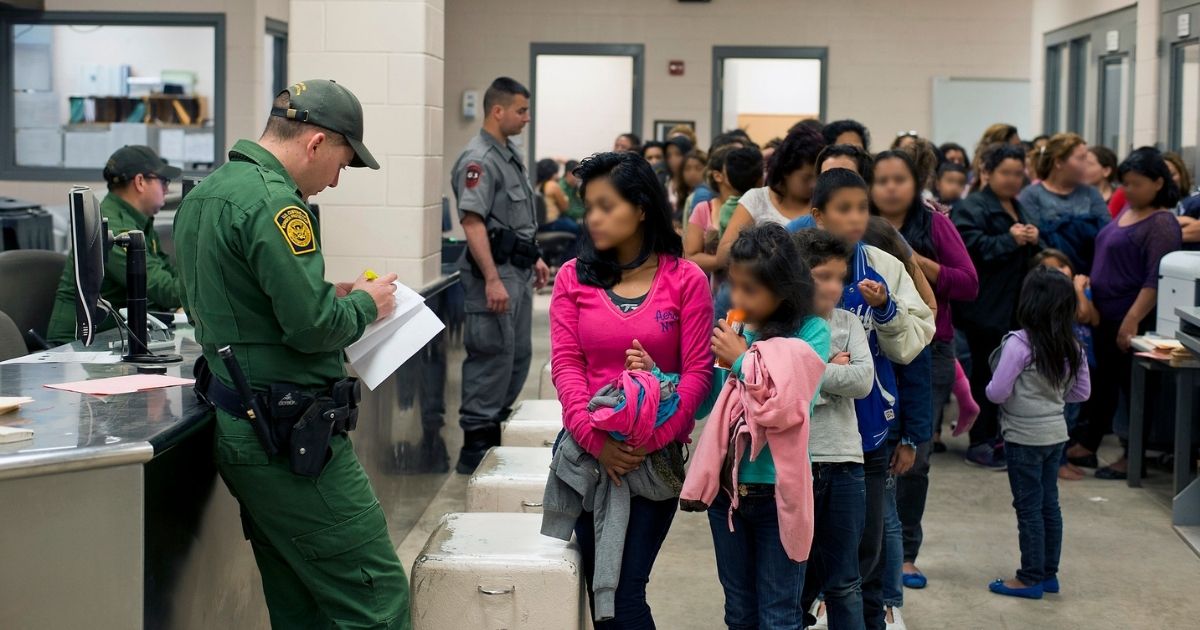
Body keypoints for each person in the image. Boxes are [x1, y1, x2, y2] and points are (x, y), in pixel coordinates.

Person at [173, 79, 410, 628]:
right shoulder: (279, 204)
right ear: (317, 143)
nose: (335, 180)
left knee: (301, 603)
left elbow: (246, 306)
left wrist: (336, 293)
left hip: (244, 427)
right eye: (342, 164)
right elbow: (314, 327)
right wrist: (366, 307)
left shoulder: (206, 195)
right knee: (377, 598)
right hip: (292, 440)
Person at [549, 151, 713, 628]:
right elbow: (567, 366)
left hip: (652, 462)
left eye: (607, 205)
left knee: (624, 595)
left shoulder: (686, 280)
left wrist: (647, 442)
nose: (594, 217)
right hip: (587, 457)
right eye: (590, 206)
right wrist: (598, 442)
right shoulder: (573, 278)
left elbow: (699, 373)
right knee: (601, 598)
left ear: (641, 208)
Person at [680, 223, 829, 630]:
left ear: (782, 289)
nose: (737, 297)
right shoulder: (737, 325)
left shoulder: (812, 332)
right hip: (727, 495)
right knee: (739, 613)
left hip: (778, 494)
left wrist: (742, 359)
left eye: (750, 289)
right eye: (734, 285)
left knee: (779, 614)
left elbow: (789, 406)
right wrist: (659, 378)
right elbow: (706, 402)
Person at [809, 168, 934, 630]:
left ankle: (868, 618)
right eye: (844, 209)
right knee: (808, 545)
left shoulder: (885, 266)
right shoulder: (792, 260)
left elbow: (913, 345)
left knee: (866, 546)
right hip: (805, 435)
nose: (856, 218)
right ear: (818, 215)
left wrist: (885, 310)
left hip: (870, 429)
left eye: (862, 207)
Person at [871, 151, 978, 592]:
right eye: (881, 180)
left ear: (915, 184)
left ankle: (907, 553)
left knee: (915, 456)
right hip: (871, 347)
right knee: (872, 452)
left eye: (900, 179)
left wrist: (911, 262)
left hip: (929, 348)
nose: (891, 188)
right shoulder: (861, 223)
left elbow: (968, 282)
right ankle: (872, 548)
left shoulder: (934, 224)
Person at [450, 77, 550, 473]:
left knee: (517, 355)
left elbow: (516, 220)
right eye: (521, 110)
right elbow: (473, 222)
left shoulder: (509, 154)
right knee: (491, 354)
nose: (526, 118)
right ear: (498, 111)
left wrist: (535, 257)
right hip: (493, 272)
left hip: (517, 269)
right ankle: (476, 442)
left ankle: (494, 428)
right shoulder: (479, 159)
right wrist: (491, 278)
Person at [1068, 147, 1183, 480]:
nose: (1127, 190)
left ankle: (1133, 456)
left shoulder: (1161, 222)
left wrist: (1132, 320)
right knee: (1103, 385)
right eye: (1125, 184)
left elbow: (1155, 278)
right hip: (1103, 314)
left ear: (1158, 182)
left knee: (1135, 391)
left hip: (1132, 318)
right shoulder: (1129, 212)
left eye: (1135, 184)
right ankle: (1088, 444)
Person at [986, 266, 1091, 600]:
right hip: (1056, 434)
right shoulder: (1072, 345)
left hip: (1023, 437)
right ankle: (1048, 575)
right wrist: (1052, 397)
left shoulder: (1019, 344)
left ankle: (1029, 577)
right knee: (1049, 505)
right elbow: (1082, 393)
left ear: (1028, 301)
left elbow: (997, 391)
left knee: (1029, 507)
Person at [794, 228, 872, 630]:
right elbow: (779, 389)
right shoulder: (783, 324)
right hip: (793, 466)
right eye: (823, 275)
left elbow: (862, 381)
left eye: (840, 277)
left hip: (843, 461)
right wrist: (830, 369)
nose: (834, 286)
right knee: (793, 581)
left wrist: (811, 375)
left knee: (844, 581)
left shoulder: (847, 323)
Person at [953, 144, 1042, 470]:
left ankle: (1000, 436)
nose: (1013, 179)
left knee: (1010, 375)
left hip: (1016, 307)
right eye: (1005, 172)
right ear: (987, 173)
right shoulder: (972, 206)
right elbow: (968, 249)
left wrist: (1034, 238)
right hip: (985, 308)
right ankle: (980, 440)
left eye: (1018, 173)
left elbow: (1036, 252)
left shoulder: (1019, 206)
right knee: (985, 373)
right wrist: (1010, 239)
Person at [47, 145, 182, 344]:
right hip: (77, 344)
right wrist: (199, 293)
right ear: (140, 182)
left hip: (114, 336)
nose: (167, 189)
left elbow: (167, 275)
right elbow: (163, 290)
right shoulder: (113, 226)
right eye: (163, 181)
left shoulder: (137, 219)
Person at [716, 125, 826, 267]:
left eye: (818, 176)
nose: (813, 184)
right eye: (806, 178)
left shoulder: (822, 204)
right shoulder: (757, 200)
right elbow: (722, 256)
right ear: (786, 171)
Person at [1034, 248, 1099, 481]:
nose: (1061, 272)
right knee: (1064, 416)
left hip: (1083, 362)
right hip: (1063, 367)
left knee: (1074, 415)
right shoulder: (1057, 297)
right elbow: (1081, 314)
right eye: (1053, 270)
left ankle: (1062, 460)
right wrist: (1077, 289)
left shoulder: (1079, 291)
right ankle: (1057, 463)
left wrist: (1081, 291)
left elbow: (1093, 318)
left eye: (1063, 266)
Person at [1018, 133, 1109, 273]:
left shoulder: (1091, 194)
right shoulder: (1031, 195)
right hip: (1047, 276)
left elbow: (1106, 234)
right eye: (1081, 158)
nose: (1086, 164)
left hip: (1088, 275)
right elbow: (1033, 241)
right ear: (1059, 162)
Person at [685, 146, 762, 276]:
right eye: (732, 166)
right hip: (716, 290)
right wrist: (721, 259)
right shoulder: (703, 209)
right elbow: (690, 257)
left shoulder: (759, 204)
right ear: (718, 175)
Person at [664, 136, 695, 217]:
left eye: (678, 154)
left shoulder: (692, 184)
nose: (672, 159)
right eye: (668, 156)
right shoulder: (663, 181)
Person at [681, 149, 711, 225]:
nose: (692, 173)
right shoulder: (684, 194)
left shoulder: (703, 194)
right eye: (687, 169)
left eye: (698, 168)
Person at [559, 158, 586, 223]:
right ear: (569, 174)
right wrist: (586, 213)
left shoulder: (575, 185)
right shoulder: (561, 187)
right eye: (578, 173)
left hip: (577, 217)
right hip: (568, 219)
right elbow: (568, 211)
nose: (580, 176)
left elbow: (581, 203)